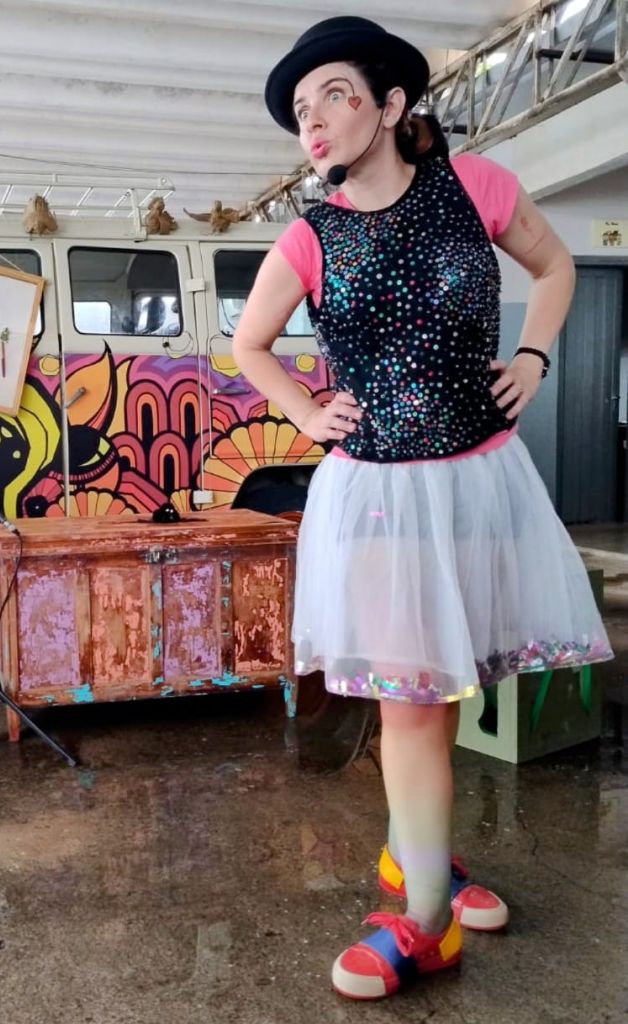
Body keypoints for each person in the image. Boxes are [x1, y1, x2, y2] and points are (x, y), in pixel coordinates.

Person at [234, 16, 612, 1001]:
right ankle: (428, 923)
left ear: (392, 102)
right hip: (377, 495)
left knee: (444, 691)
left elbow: (557, 266)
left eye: (334, 95)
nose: (314, 121)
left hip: (480, 481)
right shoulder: (310, 235)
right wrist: (304, 410)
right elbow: (249, 345)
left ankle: (419, 861)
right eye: (300, 110)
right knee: (409, 702)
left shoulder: (475, 187)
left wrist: (533, 355)